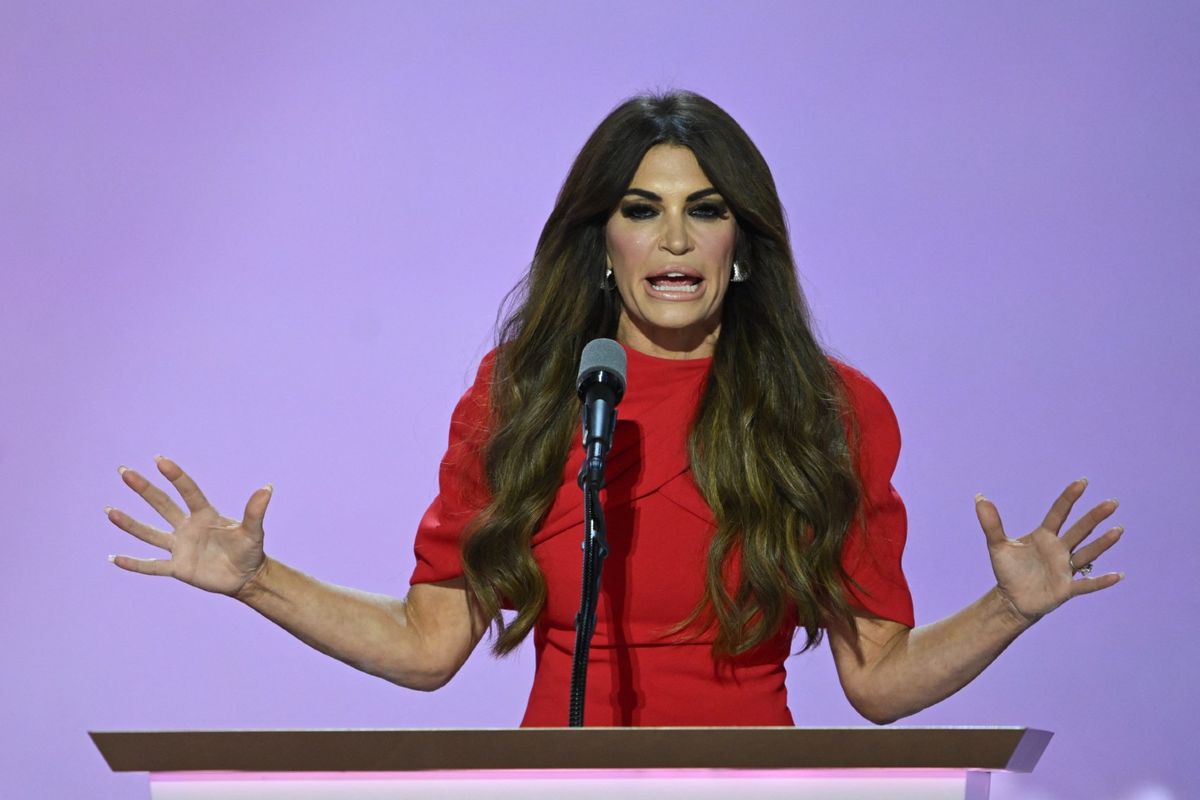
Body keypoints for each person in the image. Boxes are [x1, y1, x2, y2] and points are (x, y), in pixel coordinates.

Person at [105, 90, 1125, 727]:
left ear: (743, 244)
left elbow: (878, 680)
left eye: (705, 210)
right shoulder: (524, 396)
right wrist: (255, 580)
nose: (674, 240)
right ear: (605, 241)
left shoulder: (829, 410)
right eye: (643, 210)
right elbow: (427, 645)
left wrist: (1008, 610)